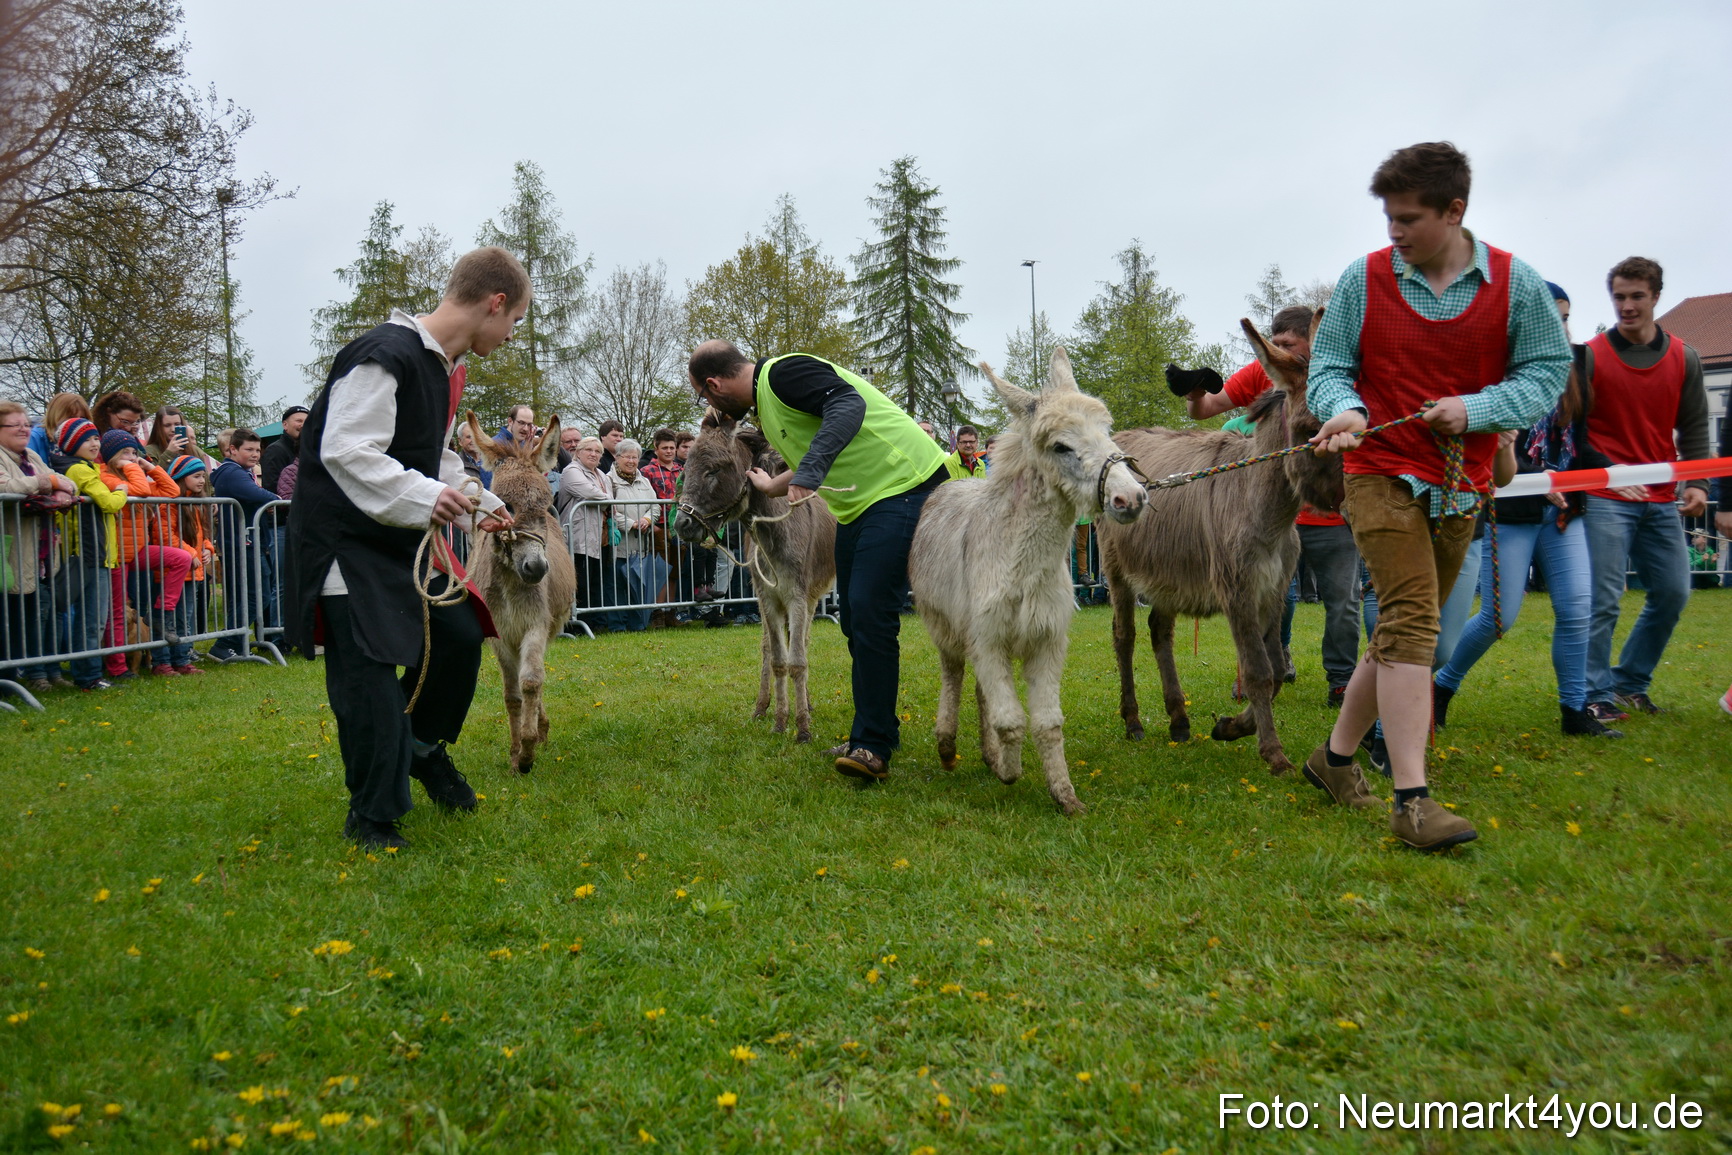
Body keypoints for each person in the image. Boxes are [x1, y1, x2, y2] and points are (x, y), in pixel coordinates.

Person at [1303, 141, 1570, 852]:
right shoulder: (1363, 281)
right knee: (1415, 621)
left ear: (1455, 212)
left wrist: (1479, 409)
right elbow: (1327, 367)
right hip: (1379, 471)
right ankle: (1411, 799)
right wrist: (1347, 409)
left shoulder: (1517, 285)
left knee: (1400, 631)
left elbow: (1548, 372)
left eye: (1409, 218)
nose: (1393, 231)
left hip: (1460, 483)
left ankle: (1332, 761)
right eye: (1388, 217)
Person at [285, 244, 520, 852]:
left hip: (395, 539)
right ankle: (372, 815)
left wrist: (483, 503)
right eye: (514, 320)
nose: (511, 334)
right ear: (495, 304)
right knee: (368, 680)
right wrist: (425, 499)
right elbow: (347, 450)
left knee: (459, 638)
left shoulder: (441, 368)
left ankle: (420, 749)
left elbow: (429, 456)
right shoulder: (383, 354)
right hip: (344, 543)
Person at [688, 339, 947, 782]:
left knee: (868, 610)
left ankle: (873, 746)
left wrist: (810, 473)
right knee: (855, 618)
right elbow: (811, 451)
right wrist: (774, 486)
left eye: (703, 396)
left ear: (713, 384)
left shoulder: (784, 374)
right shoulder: (767, 407)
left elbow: (847, 407)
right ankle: (872, 731)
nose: (708, 404)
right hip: (861, 503)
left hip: (904, 484)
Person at [1429, 283, 1621, 739]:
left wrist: (1620, 474)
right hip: (1511, 511)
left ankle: (1574, 710)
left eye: (1566, 318)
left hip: (1565, 513)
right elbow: (1493, 446)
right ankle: (1442, 686)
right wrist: (1540, 480)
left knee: (1577, 609)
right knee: (1499, 619)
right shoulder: (1496, 369)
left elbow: (1582, 442)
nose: (1561, 328)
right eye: (1550, 319)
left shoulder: (1577, 364)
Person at [1581, 257, 1711, 720]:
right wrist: (1611, 473)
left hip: (1660, 496)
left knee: (1675, 591)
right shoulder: (1592, 355)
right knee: (1603, 598)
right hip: (1606, 496)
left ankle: (1629, 681)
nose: (1627, 305)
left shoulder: (1685, 357)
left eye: (1637, 296)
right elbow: (1574, 433)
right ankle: (1593, 695)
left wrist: (1696, 482)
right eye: (1618, 296)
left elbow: (1695, 427)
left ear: (1656, 296)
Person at [97, 429, 191, 675]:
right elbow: (142, 490)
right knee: (117, 611)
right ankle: (117, 667)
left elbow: (172, 491)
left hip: (136, 550)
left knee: (181, 557)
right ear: (111, 456)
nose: (131, 457)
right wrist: (133, 468)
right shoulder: (104, 476)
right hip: (116, 554)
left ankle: (161, 612)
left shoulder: (136, 474)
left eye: (133, 452)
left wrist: (149, 466)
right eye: (125, 453)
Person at [1, 401, 77, 692]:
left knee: (46, 611)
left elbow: (69, 484)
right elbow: (8, 488)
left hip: (43, 552)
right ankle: (31, 675)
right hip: (13, 551)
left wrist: (57, 487)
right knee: (25, 615)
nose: (23, 429)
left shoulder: (31, 455)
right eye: (15, 424)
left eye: (26, 424)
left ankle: (49, 670)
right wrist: (50, 482)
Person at [50, 417, 125, 690]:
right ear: (72, 444)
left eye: (96, 438)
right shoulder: (80, 471)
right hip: (91, 553)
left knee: (92, 619)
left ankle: (89, 675)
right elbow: (107, 502)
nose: (95, 444)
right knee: (92, 620)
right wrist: (121, 491)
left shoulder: (82, 467)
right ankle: (88, 677)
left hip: (93, 552)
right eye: (87, 439)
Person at [207, 428, 283, 658]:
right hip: (243, 543)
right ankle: (225, 644)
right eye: (248, 449)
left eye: (257, 450)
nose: (255, 454)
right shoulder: (232, 472)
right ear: (232, 449)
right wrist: (276, 500)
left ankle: (234, 642)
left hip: (249, 541)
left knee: (252, 594)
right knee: (254, 595)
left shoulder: (239, 471)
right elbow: (254, 493)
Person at [607, 439, 666, 631]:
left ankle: (638, 624)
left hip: (642, 545)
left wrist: (648, 520)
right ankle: (618, 625)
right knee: (618, 587)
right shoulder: (609, 481)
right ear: (617, 458)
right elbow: (609, 510)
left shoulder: (644, 481)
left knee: (637, 586)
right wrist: (631, 524)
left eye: (635, 457)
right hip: (620, 545)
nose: (631, 461)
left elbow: (655, 506)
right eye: (627, 457)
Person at [556, 435, 613, 627]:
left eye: (598, 451)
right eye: (589, 450)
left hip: (597, 537)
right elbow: (589, 493)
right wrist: (605, 497)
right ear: (578, 452)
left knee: (595, 581)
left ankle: (595, 623)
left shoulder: (602, 475)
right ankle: (576, 623)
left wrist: (604, 498)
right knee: (580, 582)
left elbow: (609, 499)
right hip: (577, 536)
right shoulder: (571, 471)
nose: (593, 454)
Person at [29, 393, 91, 463]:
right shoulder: (34, 438)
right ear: (56, 416)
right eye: (71, 417)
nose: (78, 422)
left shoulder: (87, 440)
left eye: (83, 418)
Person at [260, 405, 308, 494]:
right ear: (285, 425)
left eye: (307, 421)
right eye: (299, 421)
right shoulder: (275, 450)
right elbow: (271, 486)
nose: (303, 425)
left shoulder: (309, 450)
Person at [455, 423, 492, 489]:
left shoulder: (491, 459)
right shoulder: (457, 465)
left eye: (476, 436)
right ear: (460, 441)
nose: (473, 440)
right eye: (469, 437)